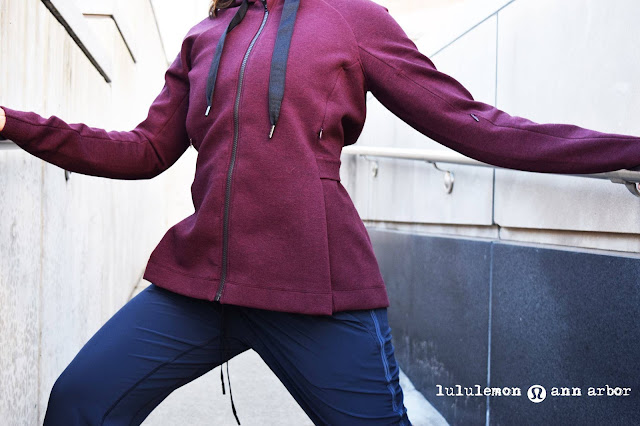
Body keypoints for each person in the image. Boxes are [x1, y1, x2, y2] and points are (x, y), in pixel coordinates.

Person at [2, 0, 640, 424]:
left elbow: (471, 123)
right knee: (79, 401)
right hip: (199, 287)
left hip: (316, 293)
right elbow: (144, 149)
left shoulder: (352, 18)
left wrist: (623, 151)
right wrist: (13, 122)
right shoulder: (203, 36)